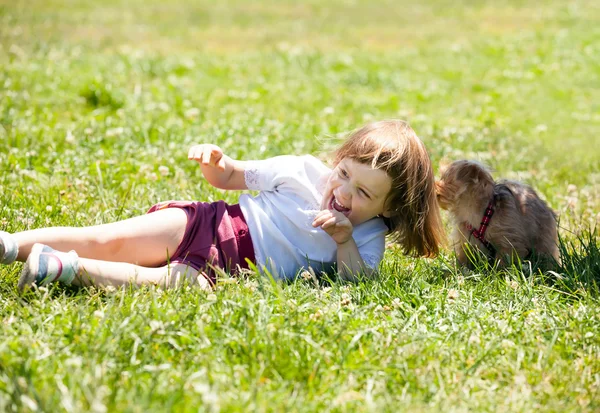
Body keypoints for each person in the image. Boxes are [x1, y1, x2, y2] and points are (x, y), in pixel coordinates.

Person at [0, 120, 444, 292]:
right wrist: (217, 162)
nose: (344, 194)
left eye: (364, 194)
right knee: (108, 239)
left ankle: (60, 267)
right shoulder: (302, 171)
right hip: (210, 225)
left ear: (390, 209)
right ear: (337, 159)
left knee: (175, 285)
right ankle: (11, 244)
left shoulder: (368, 235)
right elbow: (232, 177)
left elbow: (358, 282)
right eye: (345, 174)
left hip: (231, 270)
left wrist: (343, 240)